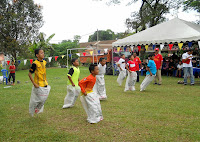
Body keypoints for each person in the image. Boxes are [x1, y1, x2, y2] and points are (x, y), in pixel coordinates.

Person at [28, 48, 51, 117]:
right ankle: (33, 109)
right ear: (37, 55)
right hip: (38, 85)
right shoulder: (35, 64)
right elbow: (29, 74)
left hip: (45, 84)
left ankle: (37, 108)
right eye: (41, 53)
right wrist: (34, 83)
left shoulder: (44, 62)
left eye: (43, 52)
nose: (43, 54)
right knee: (37, 99)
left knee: (44, 98)